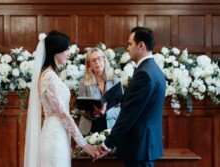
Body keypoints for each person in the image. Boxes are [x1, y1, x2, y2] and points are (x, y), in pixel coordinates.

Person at [24, 31, 99, 167]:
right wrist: (84, 144)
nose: (69, 53)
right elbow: (63, 113)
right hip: (54, 137)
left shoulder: (51, 74)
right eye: (66, 49)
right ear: (56, 51)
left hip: (59, 135)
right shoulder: (49, 77)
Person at [97, 26, 166, 167]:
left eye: (130, 44)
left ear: (141, 45)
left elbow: (129, 113)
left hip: (139, 147)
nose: (127, 48)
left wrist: (108, 144)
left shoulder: (144, 73)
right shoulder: (153, 69)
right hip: (145, 146)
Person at [78, 47, 122, 135]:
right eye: (93, 60)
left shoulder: (115, 80)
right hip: (90, 126)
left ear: (104, 60)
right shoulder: (83, 82)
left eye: (99, 58)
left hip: (110, 125)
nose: (97, 62)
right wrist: (93, 113)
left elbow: (121, 106)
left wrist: (105, 111)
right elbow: (82, 109)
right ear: (89, 64)